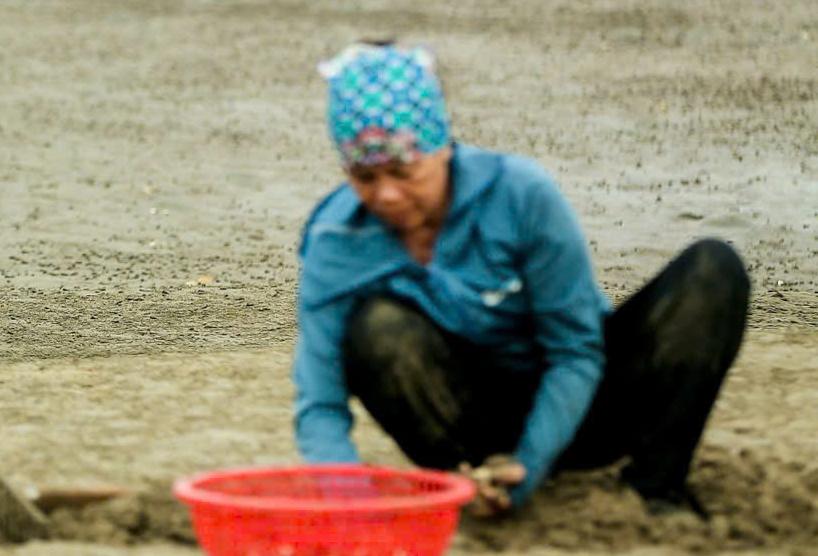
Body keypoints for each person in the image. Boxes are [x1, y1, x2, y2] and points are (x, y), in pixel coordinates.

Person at [292, 43, 749, 518]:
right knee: (377, 326)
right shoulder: (334, 238)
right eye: (364, 177)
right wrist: (348, 503)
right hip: (468, 421)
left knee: (712, 271)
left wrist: (529, 468)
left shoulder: (522, 197)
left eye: (403, 172)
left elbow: (574, 353)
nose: (385, 194)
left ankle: (656, 487)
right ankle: (461, 486)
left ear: (442, 146)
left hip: (587, 408)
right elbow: (320, 403)